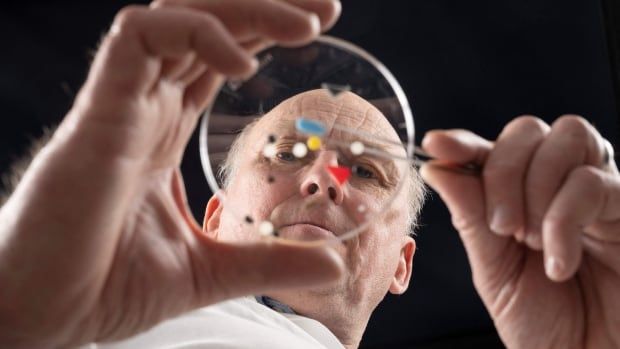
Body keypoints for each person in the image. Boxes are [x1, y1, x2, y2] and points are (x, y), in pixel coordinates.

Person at [0, 1, 618, 348]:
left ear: (401, 263)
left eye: (369, 173)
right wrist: (21, 301)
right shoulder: (96, 321)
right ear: (214, 216)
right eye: (288, 154)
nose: (326, 180)